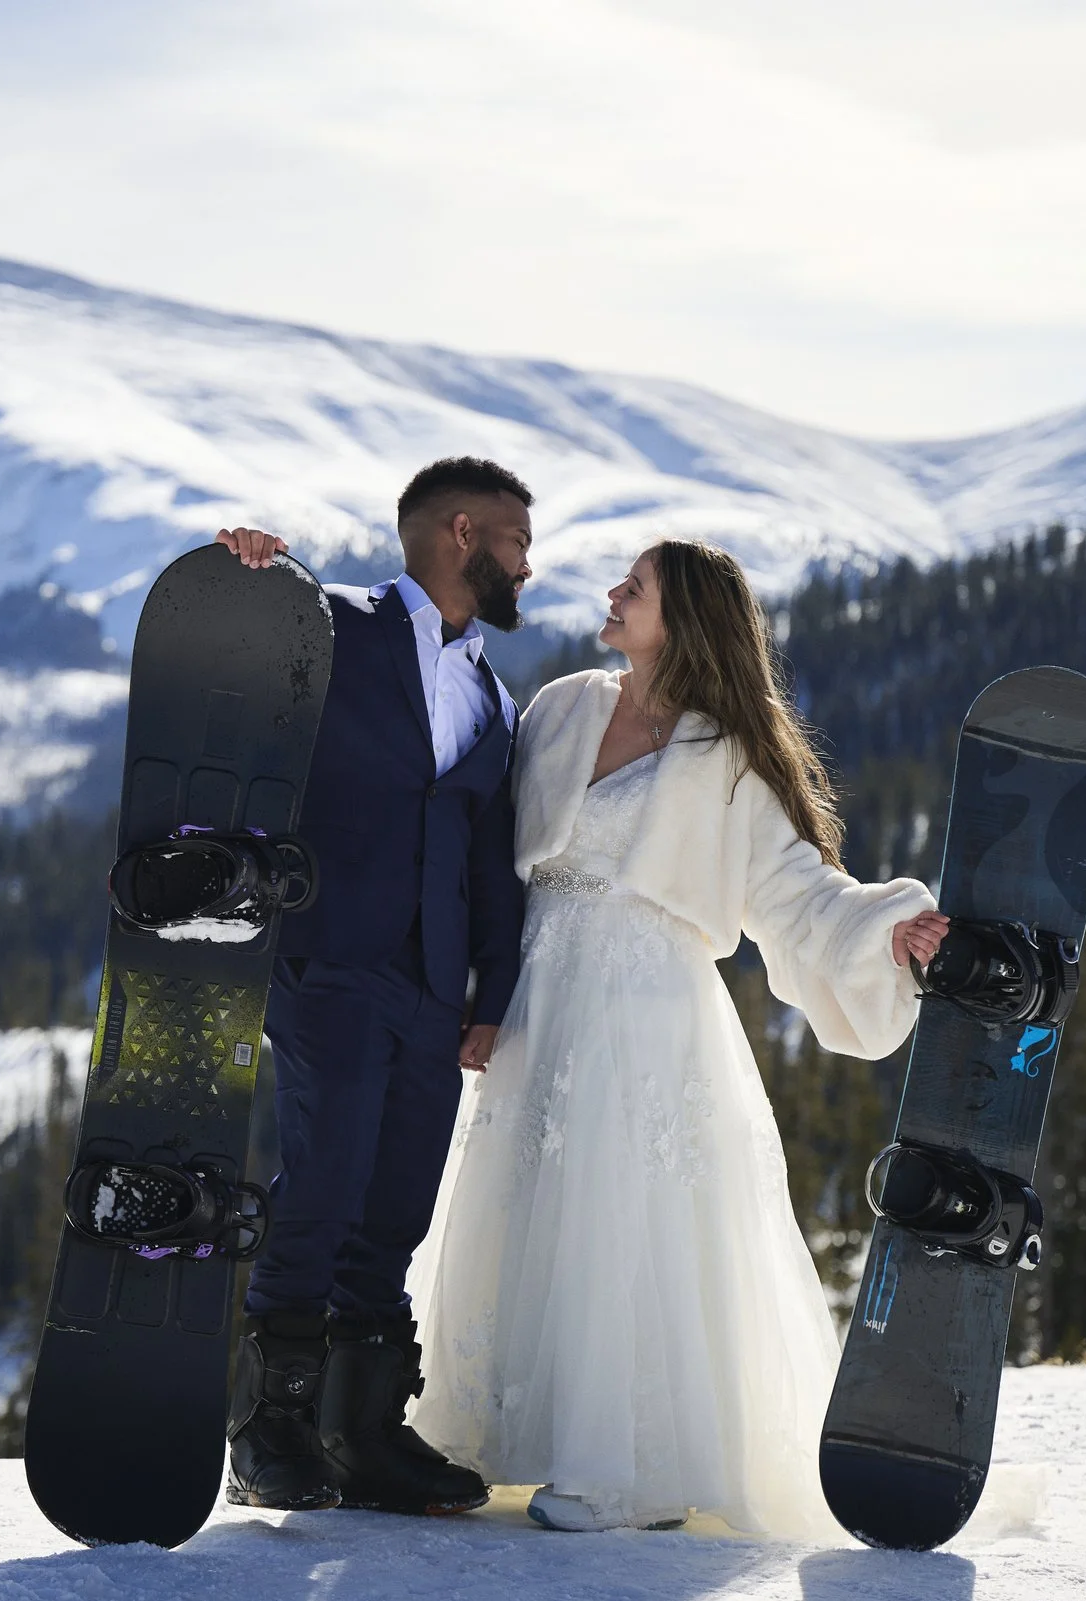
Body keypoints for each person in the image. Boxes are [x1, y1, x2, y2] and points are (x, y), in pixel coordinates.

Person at [405, 538, 949, 1535]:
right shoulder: (563, 704)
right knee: (529, 1205)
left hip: (649, 1008)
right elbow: (488, 859)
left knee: (627, 1216)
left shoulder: (729, 754)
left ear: (684, 617)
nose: (612, 594)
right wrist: (478, 993)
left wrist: (890, 925)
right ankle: (498, 1435)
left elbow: (797, 892)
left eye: (636, 586)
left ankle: (634, 1467)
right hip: (543, 998)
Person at [214, 457, 531, 1516]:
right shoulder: (330, 623)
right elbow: (228, 675)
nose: (526, 564)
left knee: (395, 1202)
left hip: (432, 982)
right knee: (324, 1177)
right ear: (459, 533)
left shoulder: (494, 691)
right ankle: (270, 1431)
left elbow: (489, 855)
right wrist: (248, 574)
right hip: (328, 960)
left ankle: (364, 1431)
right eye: (515, 541)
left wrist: (491, 991)